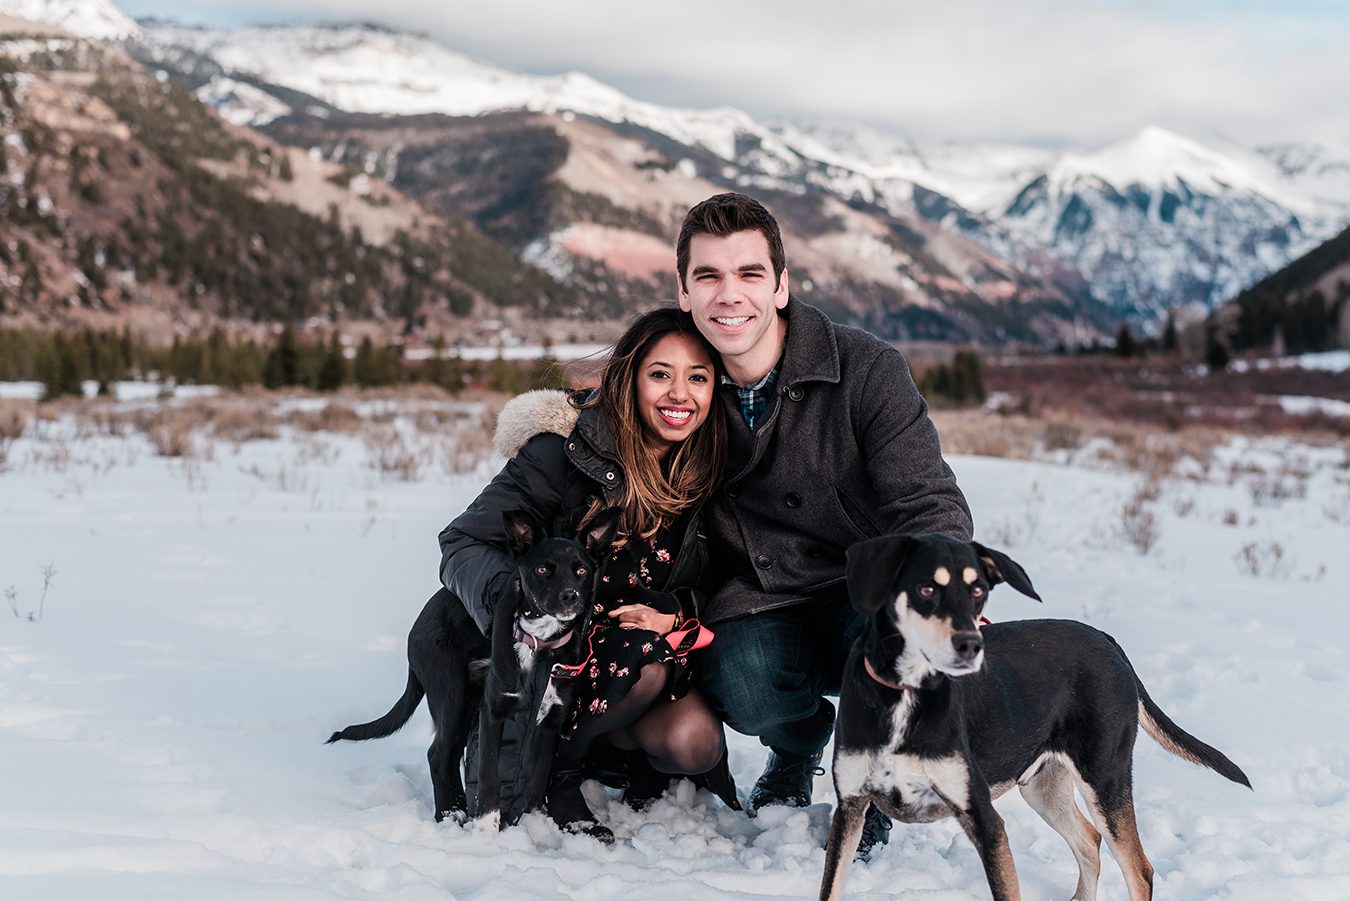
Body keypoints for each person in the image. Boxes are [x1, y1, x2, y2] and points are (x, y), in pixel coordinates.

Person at [674, 193, 974, 859]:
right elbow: (600, 438)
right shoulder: (673, 380)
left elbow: (928, 501)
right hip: (758, 597)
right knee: (747, 682)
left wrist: (940, 596)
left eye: (750, 274)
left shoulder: (865, 369)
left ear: (781, 285)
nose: (730, 296)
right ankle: (799, 743)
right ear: (684, 290)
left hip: (862, 590)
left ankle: (874, 777)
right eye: (709, 277)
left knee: (900, 641)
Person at [438, 307, 737, 842]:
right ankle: (555, 774)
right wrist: (518, 614)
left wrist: (677, 612)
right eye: (660, 374)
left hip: (633, 669)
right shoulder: (563, 452)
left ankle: (589, 757)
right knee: (637, 668)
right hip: (554, 657)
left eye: (698, 377)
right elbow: (462, 541)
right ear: (628, 379)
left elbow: (725, 577)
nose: (679, 394)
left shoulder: (713, 471)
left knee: (695, 742)